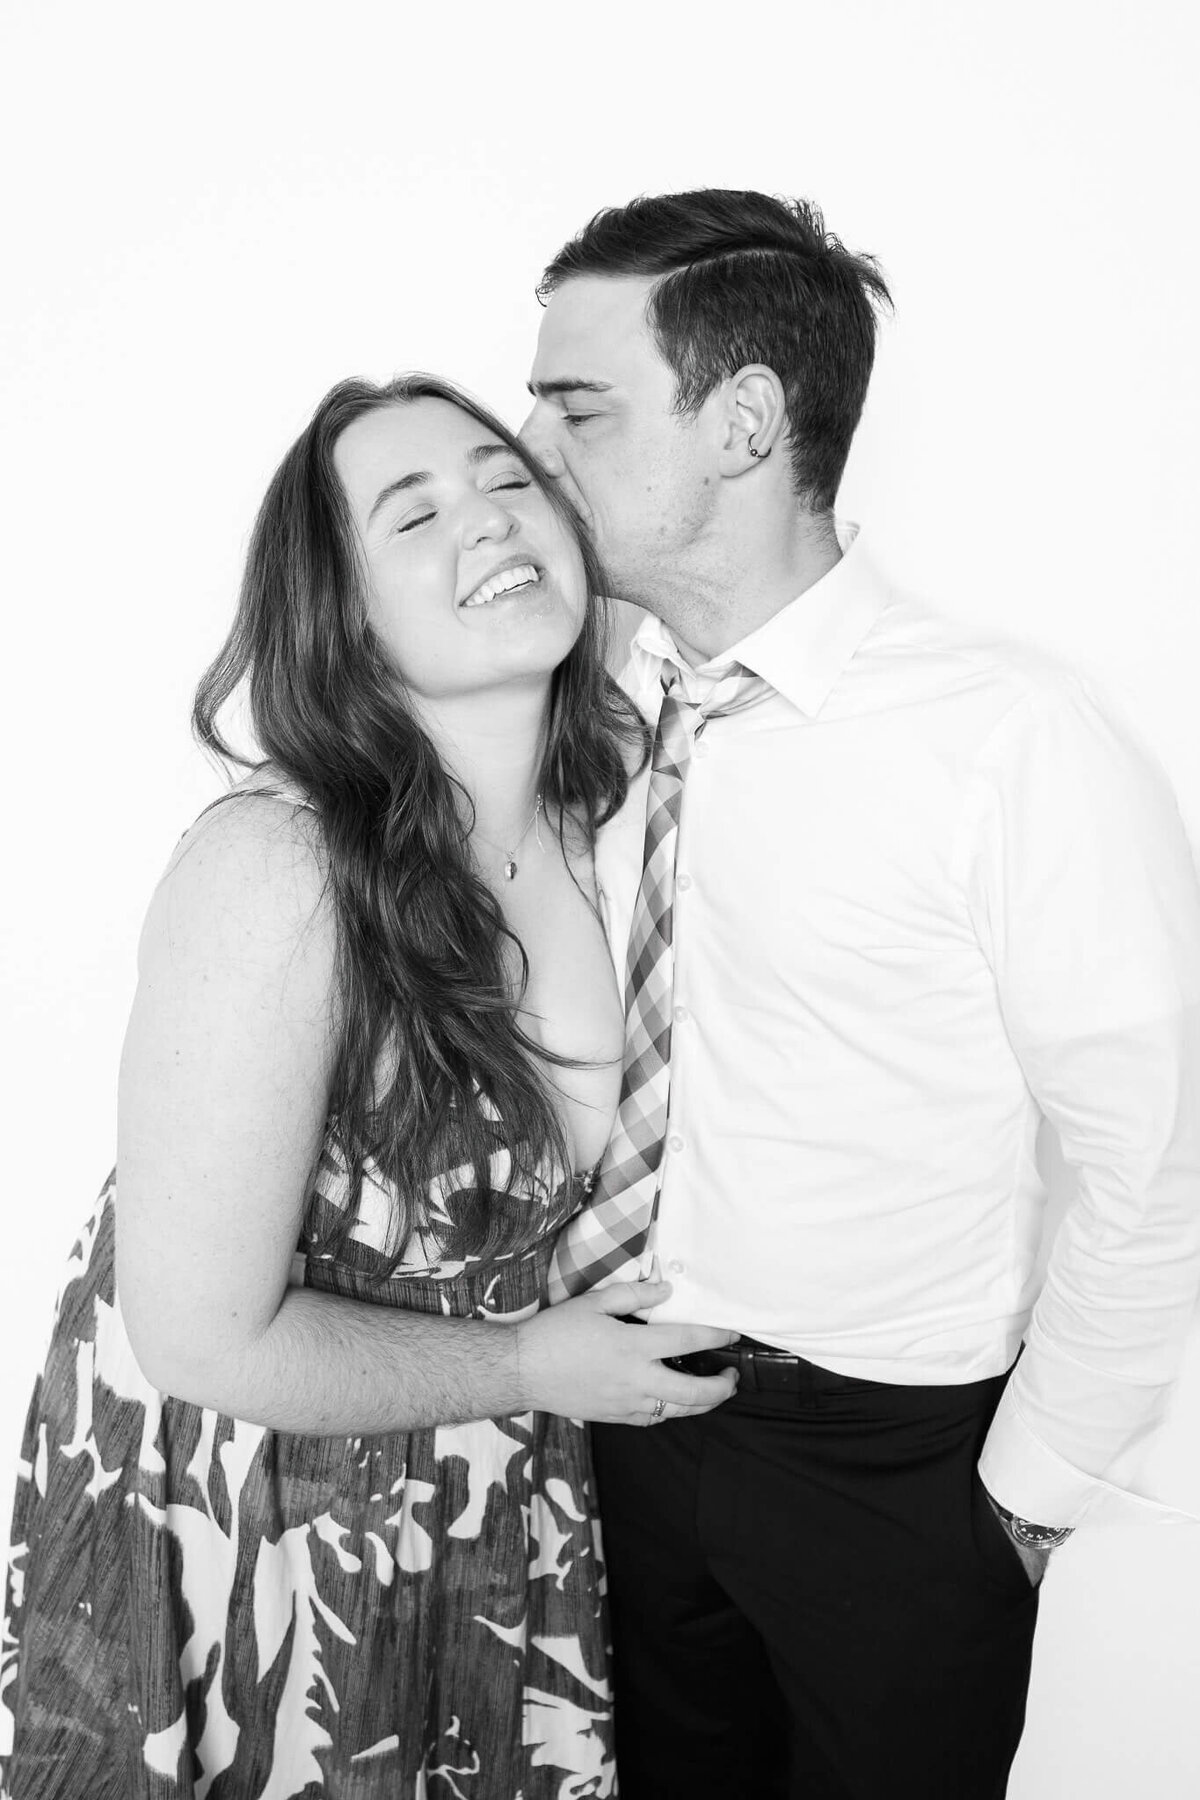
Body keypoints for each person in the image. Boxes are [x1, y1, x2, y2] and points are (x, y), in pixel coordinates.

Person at [521, 189, 1200, 1799]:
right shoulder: (580, 720)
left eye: (579, 406)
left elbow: (1160, 1156)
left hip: (890, 1472)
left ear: (747, 418)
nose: (534, 448)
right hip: (621, 1421)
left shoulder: (1010, 742)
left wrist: (1019, 1505)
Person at [0, 373, 738, 1800]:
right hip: (256, 1545)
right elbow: (203, 1341)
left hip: (486, 1515)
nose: (489, 518)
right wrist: (535, 1365)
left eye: (508, 482)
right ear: (338, 613)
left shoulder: (620, 816)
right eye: (416, 514)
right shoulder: (278, 873)